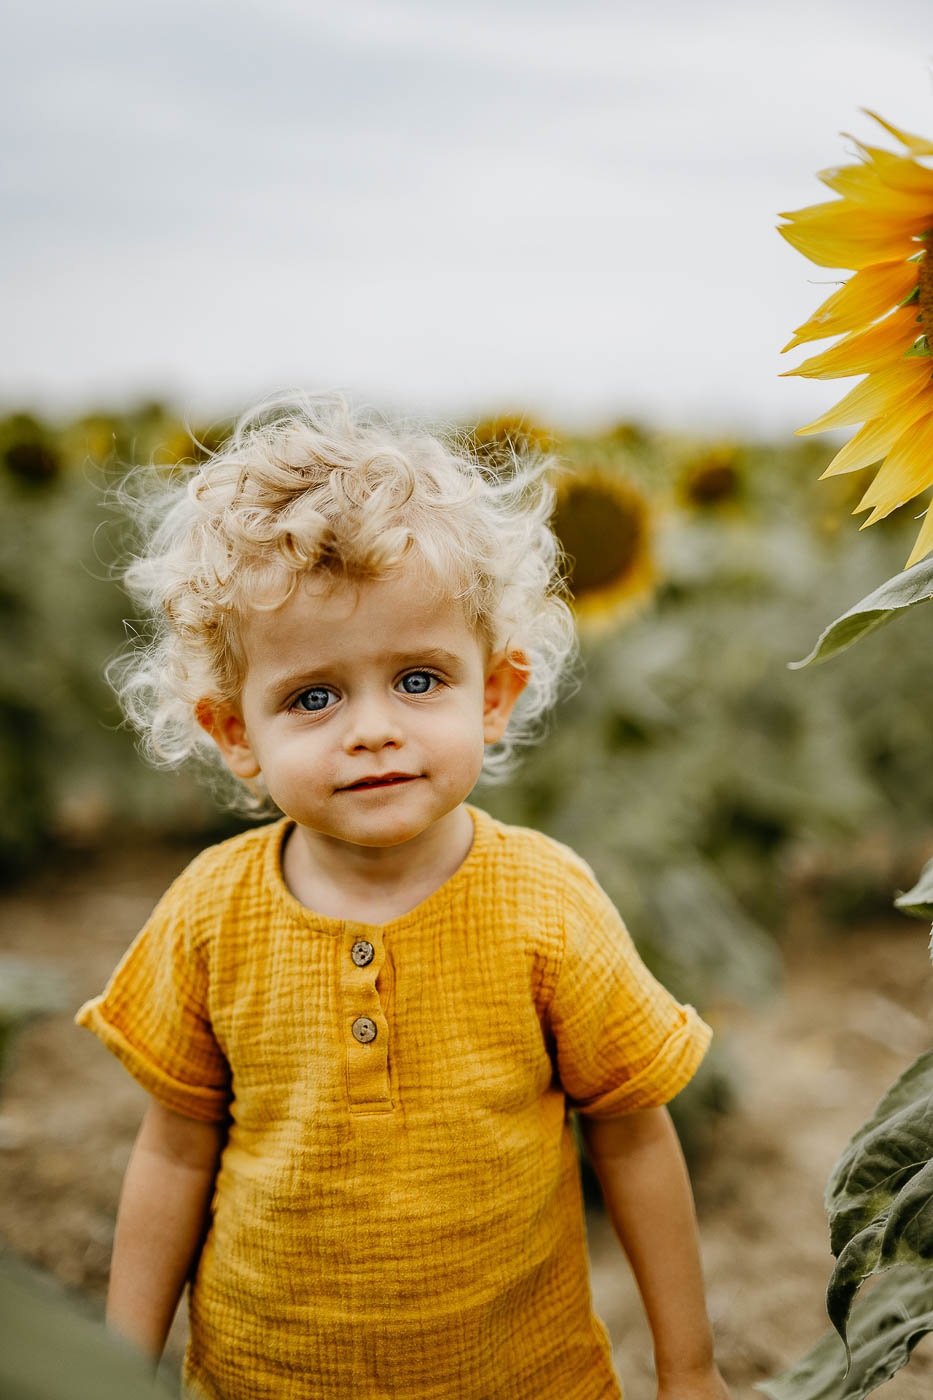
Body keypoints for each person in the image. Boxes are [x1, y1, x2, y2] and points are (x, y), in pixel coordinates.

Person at [76, 395, 729, 1400]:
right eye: (313, 696)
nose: (374, 728)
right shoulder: (211, 911)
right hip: (263, 1378)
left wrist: (689, 1371)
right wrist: (113, 1377)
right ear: (234, 731)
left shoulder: (545, 901)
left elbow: (634, 1134)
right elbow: (172, 1151)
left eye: (419, 680)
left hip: (523, 1380)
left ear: (494, 692)